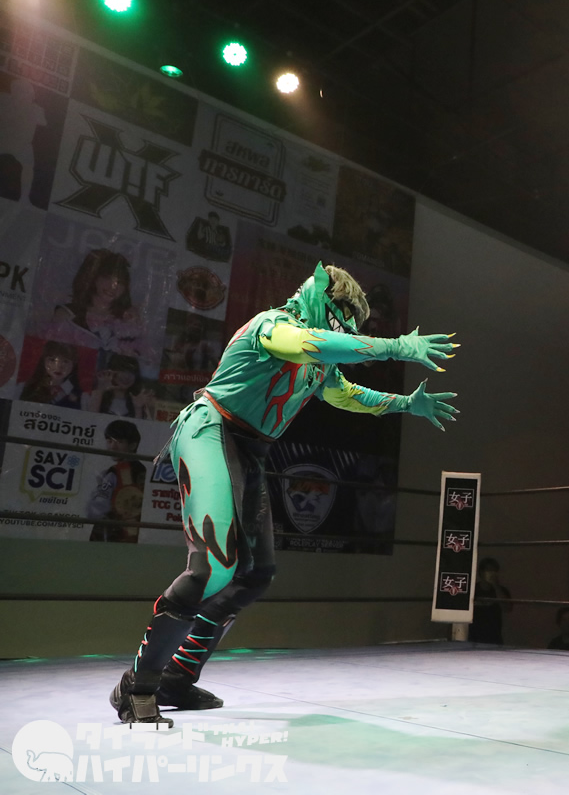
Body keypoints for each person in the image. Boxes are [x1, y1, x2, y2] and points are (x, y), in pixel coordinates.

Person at [109, 262, 459, 726]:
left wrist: (405, 403)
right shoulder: (274, 326)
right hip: (212, 427)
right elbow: (311, 343)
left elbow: (343, 393)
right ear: (320, 299)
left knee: (255, 573)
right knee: (212, 566)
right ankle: (138, 685)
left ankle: (177, 677)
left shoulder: (319, 361)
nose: (345, 330)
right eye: (342, 318)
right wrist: (396, 346)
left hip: (251, 449)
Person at [51, 249, 147, 362]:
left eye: (120, 282)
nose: (113, 287)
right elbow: (54, 355)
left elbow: (139, 359)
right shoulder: (67, 315)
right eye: (107, 278)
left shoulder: (129, 320)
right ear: (94, 278)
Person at [87, 420, 147, 543]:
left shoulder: (114, 473)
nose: (113, 447)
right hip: (133, 535)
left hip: (110, 536)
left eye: (119, 442)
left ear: (132, 445)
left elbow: (96, 509)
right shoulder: (143, 469)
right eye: (109, 441)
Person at [0, 78, 46, 206]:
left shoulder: (36, 109)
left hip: (23, 145)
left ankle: (25, 197)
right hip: (4, 139)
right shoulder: (4, 100)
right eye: (19, 92)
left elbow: (43, 122)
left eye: (27, 93)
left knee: (28, 167)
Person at [88, 353, 155, 419]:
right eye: (122, 370)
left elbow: (141, 426)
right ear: (111, 371)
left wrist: (138, 409)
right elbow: (89, 421)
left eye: (131, 372)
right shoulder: (90, 396)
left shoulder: (141, 403)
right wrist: (100, 391)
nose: (127, 376)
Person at [20, 341, 84, 409]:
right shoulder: (26, 387)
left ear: (73, 365)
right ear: (43, 361)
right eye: (52, 360)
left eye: (65, 361)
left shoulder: (80, 395)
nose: (58, 367)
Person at [469, 557, 512, 644]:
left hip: (494, 638)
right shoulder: (472, 590)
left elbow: (507, 608)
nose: (491, 573)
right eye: (488, 570)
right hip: (473, 638)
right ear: (481, 572)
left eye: (494, 571)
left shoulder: (501, 590)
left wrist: (496, 586)